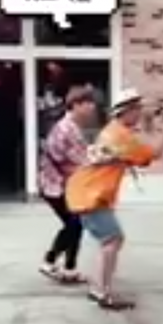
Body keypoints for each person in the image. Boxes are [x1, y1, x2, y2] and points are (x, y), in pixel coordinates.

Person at [66, 89, 163, 311]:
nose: (139, 113)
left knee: (109, 241)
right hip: (91, 196)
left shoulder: (114, 130)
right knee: (112, 240)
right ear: (126, 111)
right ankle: (101, 291)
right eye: (136, 109)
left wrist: (153, 121)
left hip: (87, 193)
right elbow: (153, 153)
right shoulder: (121, 137)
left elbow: (139, 146)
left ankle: (98, 288)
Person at [39, 85, 97, 284]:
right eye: (88, 103)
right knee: (75, 223)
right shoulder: (67, 128)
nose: (92, 107)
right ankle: (49, 261)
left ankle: (70, 268)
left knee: (76, 224)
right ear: (76, 105)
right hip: (55, 186)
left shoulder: (71, 126)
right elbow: (77, 161)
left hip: (62, 184)